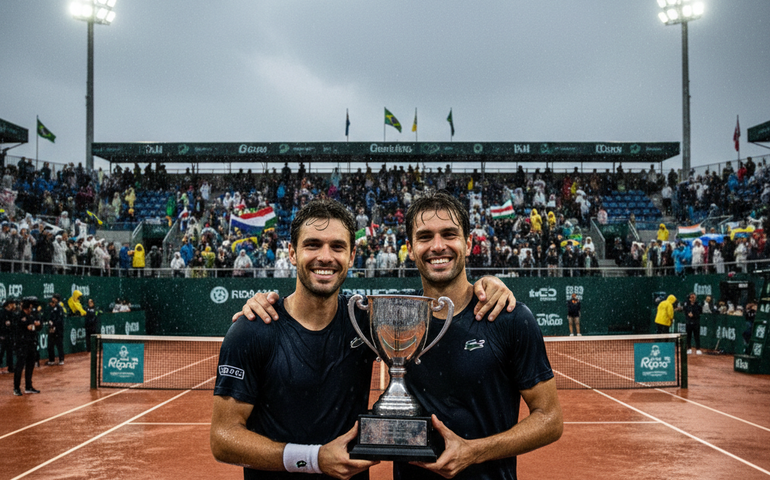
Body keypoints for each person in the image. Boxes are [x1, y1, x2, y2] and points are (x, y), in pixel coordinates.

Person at [214, 199, 516, 479]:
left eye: (337, 246)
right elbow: (223, 439)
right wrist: (313, 459)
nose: (325, 257)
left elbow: (433, 306)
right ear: (292, 253)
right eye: (312, 245)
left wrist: (487, 284)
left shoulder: (363, 320)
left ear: (351, 256)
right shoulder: (252, 330)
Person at [13, 298, 43, 396]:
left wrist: (37, 325)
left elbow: (39, 326)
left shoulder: (33, 315)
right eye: (30, 307)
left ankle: (28, 386)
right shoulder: (19, 316)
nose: (31, 309)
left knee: (30, 366)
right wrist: (32, 326)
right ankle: (16, 388)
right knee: (20, 366)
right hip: (22, 344)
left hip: (31, 344)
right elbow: (25, 327)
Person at [45, 295, 66, 365]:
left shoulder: (60, 309)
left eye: (54, 299)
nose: (52, 300)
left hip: (58, 331)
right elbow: (48, 317)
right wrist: (50, 325)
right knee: (50, 345)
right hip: (51, 330)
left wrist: (55, 326)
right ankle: (51, 360)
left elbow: (60, 320)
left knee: (59, 345)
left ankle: (61, 360)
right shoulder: (50, 309)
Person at [1, 298, 17, 374]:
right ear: (9, 304)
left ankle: (10, 367)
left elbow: (14, 325)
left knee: (10, 352)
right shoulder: (2, 312)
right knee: (1, 352)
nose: (14, 305)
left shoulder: (12, 313)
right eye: (13, 303)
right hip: (3, 335)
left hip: (10, 335)